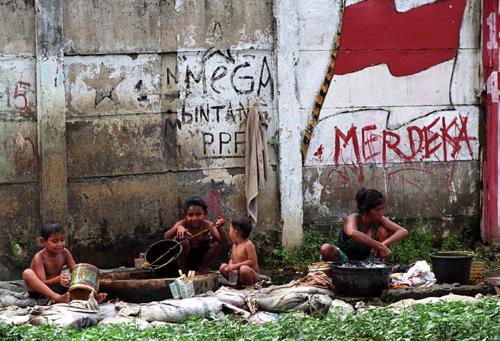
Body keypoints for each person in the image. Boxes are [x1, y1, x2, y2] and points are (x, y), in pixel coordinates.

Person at [23, 222, 107, 304]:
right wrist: (58, 279)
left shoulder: (65, 253)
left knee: (78, 279)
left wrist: (85, 278)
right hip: (39, 292)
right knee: (27, 273)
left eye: (62, 240)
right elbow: (42, 283)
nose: (60, 244)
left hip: (57, 288)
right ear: (43, 241)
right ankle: (57, 298)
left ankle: (91, 297)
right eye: (55, 241)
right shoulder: (39, 257)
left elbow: (76, 270)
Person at [320, 188, 408, 262]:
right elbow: (352, 233)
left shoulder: (379, 219)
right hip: (344, 261)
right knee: (326, 248)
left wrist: (383, 244)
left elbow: (403, 231)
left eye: (382, 209)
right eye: (377, 210)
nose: (381, 213)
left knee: (383, 231)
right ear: (366, 210)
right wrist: (379, 245)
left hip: (367, 262)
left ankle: (379, 267)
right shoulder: (352, 218)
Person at [164, 196, 227, 273]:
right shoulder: (182, 224)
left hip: (198, 260)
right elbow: (166, 237)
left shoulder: (207, 225)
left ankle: (201, 269)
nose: (194, 218)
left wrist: (219, 228)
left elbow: (223, 240)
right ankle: (182, 270)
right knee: (184, 242)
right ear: (185, 215)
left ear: (205, 213)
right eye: (190, 215)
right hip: (182, 260)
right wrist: (177, 228)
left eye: (198, 214)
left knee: (217, 244)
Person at [219, 217, 260, 289]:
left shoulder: (248, 245)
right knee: (222, 267)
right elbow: (232, 258)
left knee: (244, 269)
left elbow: (252, 261)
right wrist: (230, 265)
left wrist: (235, 266)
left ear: (236, 232)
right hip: (238, 274)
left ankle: (249, 286)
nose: (229, 232)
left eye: (230, 230)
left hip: (250, 276)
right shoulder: (235, 244)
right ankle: (235, 284)